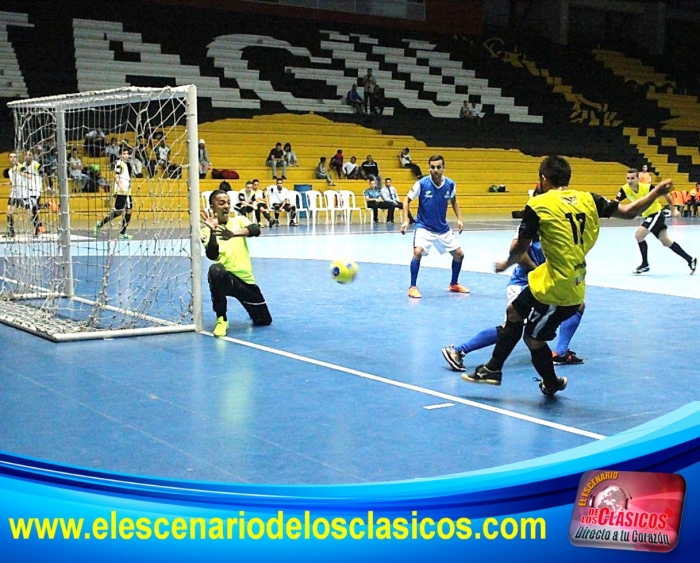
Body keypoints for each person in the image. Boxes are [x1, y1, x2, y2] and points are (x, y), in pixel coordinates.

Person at [459, 155, 674, 396]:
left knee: (533, 340)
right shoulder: (588, 199)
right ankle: (493, 368)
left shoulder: (539, 205)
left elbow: (521, 246)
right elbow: (628, 211)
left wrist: (507, 263)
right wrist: (655, 193)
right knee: (514, 312)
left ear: (542, 178)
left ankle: (551, 383)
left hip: (557, 289)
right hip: (553, 278)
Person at [442, 230, 585, 373]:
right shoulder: (534, 221)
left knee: (577, 305)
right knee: (511, 327)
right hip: (523, 283)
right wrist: (538, 272)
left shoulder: (564, 225)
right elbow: (518, 253)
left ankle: (560, 353)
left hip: (547, 285)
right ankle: (458, 351)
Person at [200, 189, 272, 336]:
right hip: (226, 278)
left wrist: (233, 234)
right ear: (212, 207)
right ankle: (221, 318)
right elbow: (212, 255)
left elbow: (255, 230)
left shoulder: (239, 221)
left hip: (245, 282)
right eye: (221, 203)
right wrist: (213, 232)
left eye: (228, 202)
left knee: (263, 321)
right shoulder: (206, 231)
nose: (226, 206)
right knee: (216, 270)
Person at [400, 155, 469, 298]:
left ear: (443, 168)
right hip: (424, 227)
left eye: (438, 167)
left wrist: (459, 219)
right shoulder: (422, 184)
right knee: (417, 252)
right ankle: (412, 287)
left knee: (459, 255)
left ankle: (454, 284)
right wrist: (406, 220)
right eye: (432, 167)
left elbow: (454, 201)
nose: (435, 170)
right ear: (429, 168)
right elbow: (406, 200)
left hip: (442, 228)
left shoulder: (450, 184)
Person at [616, 168, 695, 275]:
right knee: (666, 241)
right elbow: (615, 203)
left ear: (638, 178)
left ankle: (645, 264)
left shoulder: (647, 187)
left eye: (632, 178)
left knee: (639, 235)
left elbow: (666, 194)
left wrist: (673, 209)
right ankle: (690, 259)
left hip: (656, 214)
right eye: (628, 178)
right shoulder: (624, 189)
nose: (629, 181)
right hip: (647, 216)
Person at [94, 148, 133, 240]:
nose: (126, 155)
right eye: (124, 153)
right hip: (122, 192)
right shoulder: (119, 163)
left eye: (127, 153)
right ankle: (121, 233)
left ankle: (101, 224)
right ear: (120, 155)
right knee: (127, 211)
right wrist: (121, 187)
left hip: (127, 192)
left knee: (119, 212)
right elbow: (116, 176)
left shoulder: (127, 164)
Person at [6, 152, 28, 238]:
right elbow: (14, 182)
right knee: (8, 212)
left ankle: (38, 227)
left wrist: (19, 172)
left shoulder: (20, 166)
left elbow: (28, 176)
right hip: (13, 194)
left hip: (22, 194)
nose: (13, 159)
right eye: (11, 157)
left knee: (29, 213)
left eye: (14, 157)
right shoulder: (10, 171)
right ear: (9, 158)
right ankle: (11, 232)